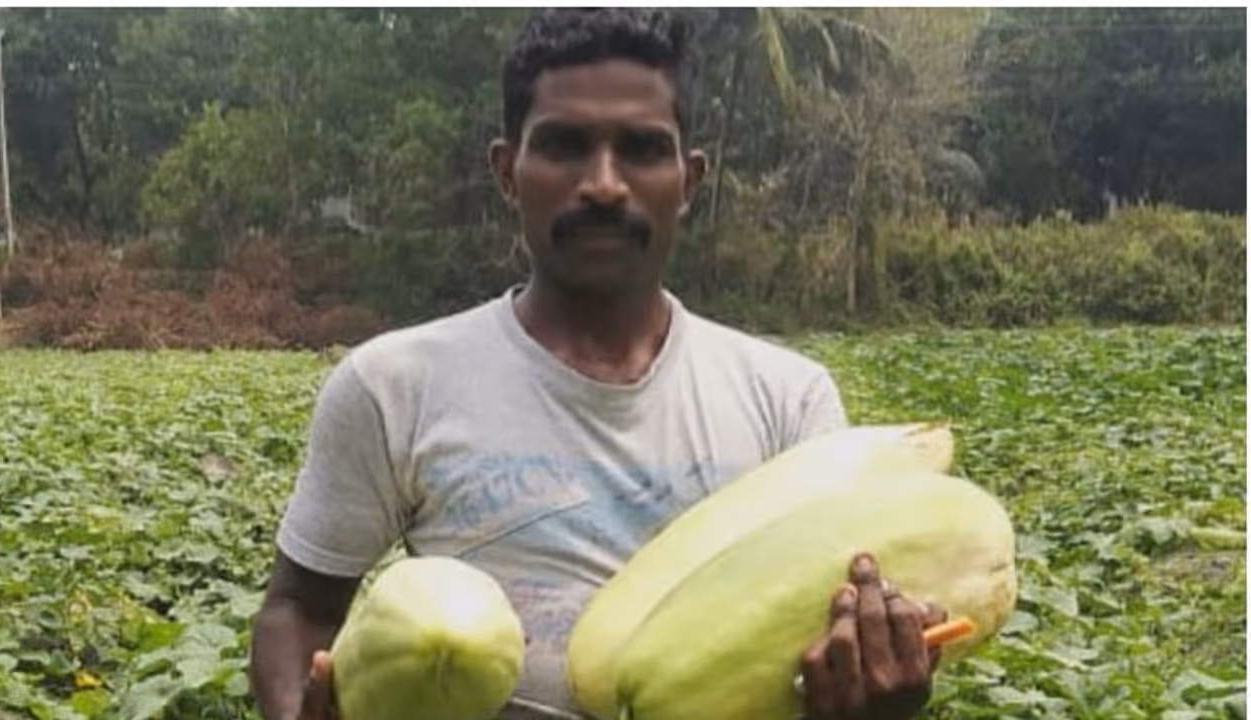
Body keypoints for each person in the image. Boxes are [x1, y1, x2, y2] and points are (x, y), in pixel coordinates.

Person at [250, 8, 945, 720]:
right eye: (564, 146)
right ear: (507, 172)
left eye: (643, 149)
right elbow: (299, 607)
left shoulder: (789, 403)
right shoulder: (392, 386)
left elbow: (821, 640)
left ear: (690, 179)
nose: (605, 184)